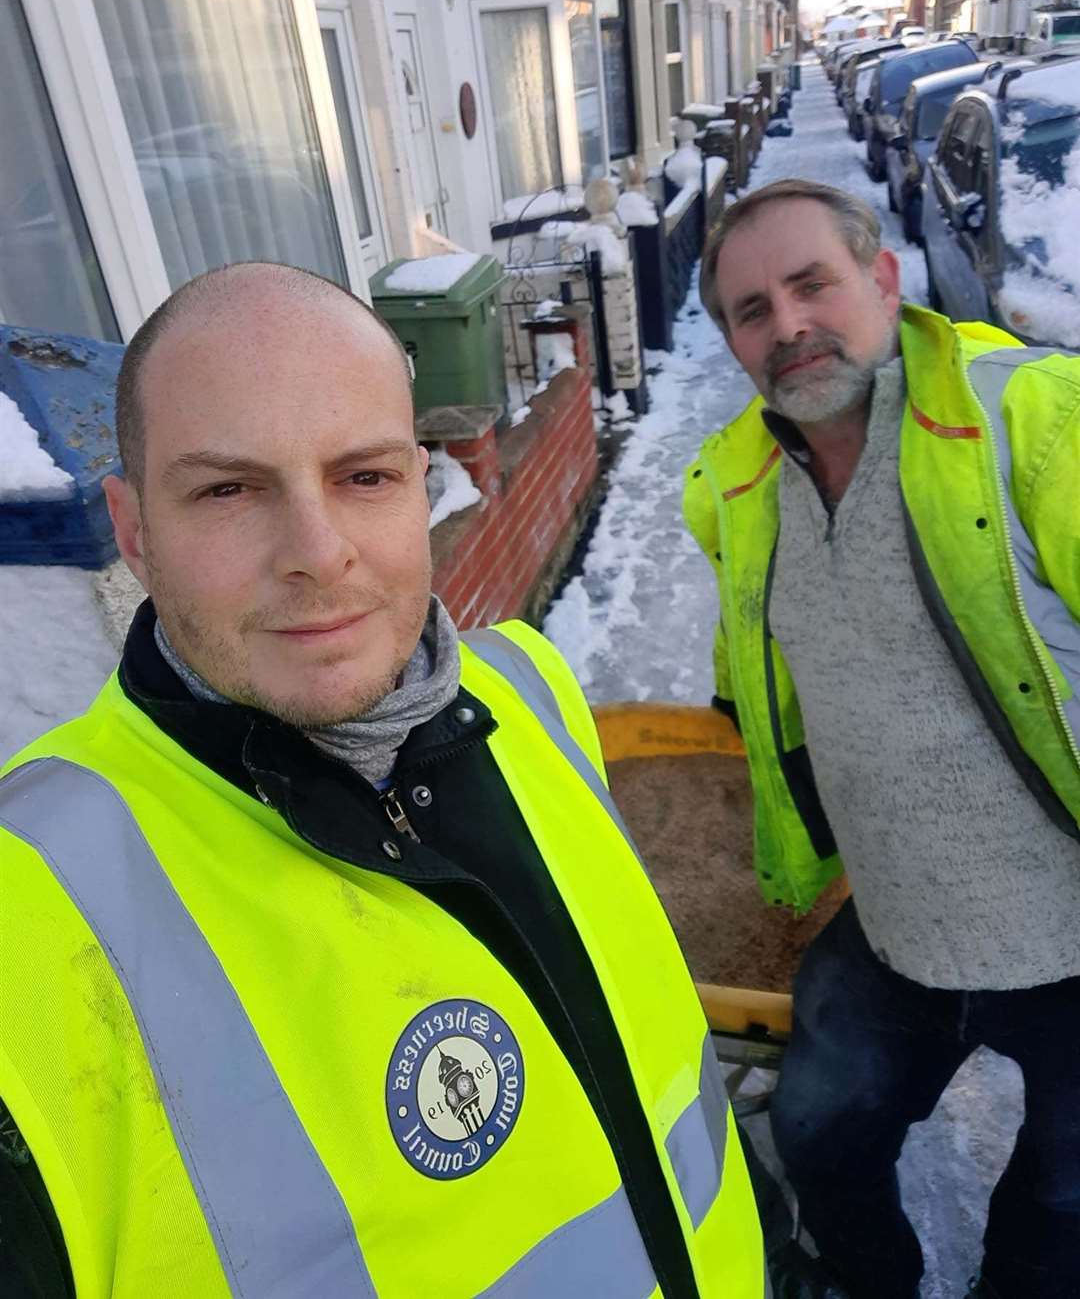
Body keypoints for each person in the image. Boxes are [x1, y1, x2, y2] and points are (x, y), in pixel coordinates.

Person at [0, 263, 764, 1298]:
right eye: (228, 489)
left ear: (418, 483)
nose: (317, 554)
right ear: (136, 533)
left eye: (364, 477)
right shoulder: (29, 909)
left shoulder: (528, 687)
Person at [683, 179, 1080, 1299]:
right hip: (899, 926)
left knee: (1059, 1203)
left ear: (885, 278)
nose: (789, 325)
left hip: (1071, 935)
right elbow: (752, 678)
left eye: (814, 283)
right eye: (752, 310)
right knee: (819, 1132)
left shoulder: (1032, 423)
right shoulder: (743, 488)